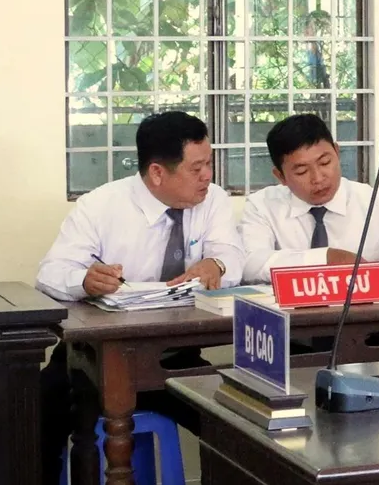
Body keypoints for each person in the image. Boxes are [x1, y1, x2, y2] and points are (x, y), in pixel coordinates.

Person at [36, 110, 244, 484]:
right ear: (157, 173)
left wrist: (216, 264)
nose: (208, 176)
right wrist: (84, 280)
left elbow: (232, 253)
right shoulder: (101, 205)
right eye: (196, 168)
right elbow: (49, 273)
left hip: (174, 359)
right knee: (35, 414)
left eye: (209, 164)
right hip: (95, 359)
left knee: (238, 422)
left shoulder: (212, 199)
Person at [240, 113, 379, 283]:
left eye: (325, 162)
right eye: (301, 171)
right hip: (293, 327)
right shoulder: (262, 206)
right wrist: (325, 258)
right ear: (280, 176)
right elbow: (249, 264)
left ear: (337, 152)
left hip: (368, 323)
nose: (318, 178)